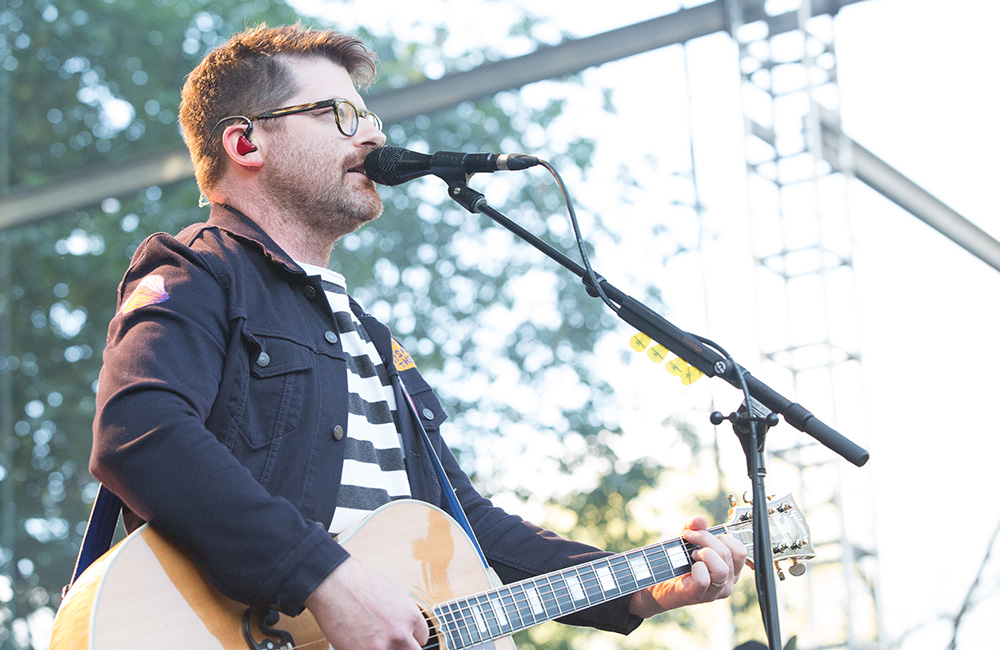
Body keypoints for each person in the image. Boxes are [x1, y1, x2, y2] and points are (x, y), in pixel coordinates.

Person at [90, 23, 746, 650]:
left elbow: (466, 523)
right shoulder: (195, 271)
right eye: (339, 114)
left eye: (368, 115)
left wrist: (639, 587)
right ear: (245, 144)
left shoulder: (372, 340)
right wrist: (325, 578)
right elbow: (139, 432)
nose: (372, 134)